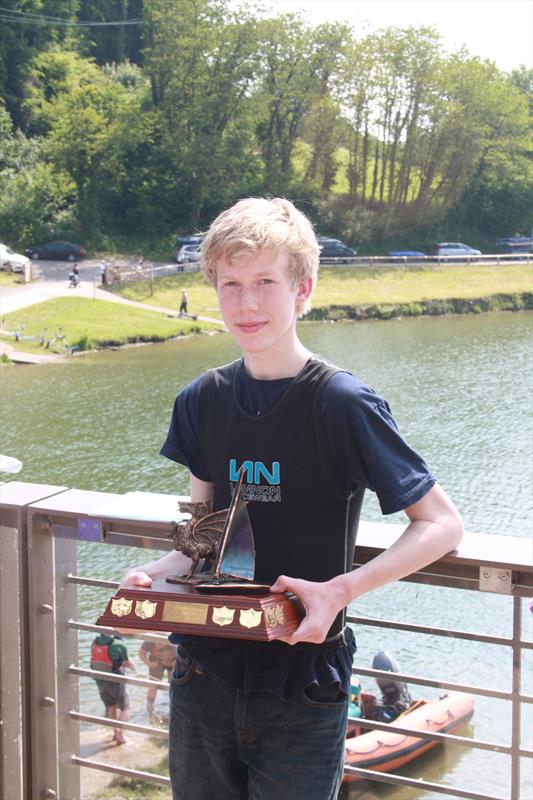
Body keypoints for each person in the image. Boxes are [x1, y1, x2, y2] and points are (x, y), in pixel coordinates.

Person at [119, 197, 464, 800]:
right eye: (231, 283)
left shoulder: (343, 404)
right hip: (205, 671)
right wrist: (152, 573)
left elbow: (440, 524)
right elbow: (204, 541)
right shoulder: (200, 401)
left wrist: (342, 589)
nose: (247, 303)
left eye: (265, 283)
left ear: (303, 289)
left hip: (305, 683)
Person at [90, 632, 135, 745]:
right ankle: (120, 733)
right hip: (116, 683)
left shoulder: (95, 643)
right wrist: (131, 665)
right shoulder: (118, 644)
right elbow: (130, 664)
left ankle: (115, 733)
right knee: (126, 708)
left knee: (111, 707)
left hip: (100, 682)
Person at [139, 640, 177, 719]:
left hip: (172, 661)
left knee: (173, 686)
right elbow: (141, 653)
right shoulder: (150, 641)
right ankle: (150, 709)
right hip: (155, 661)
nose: (158, 644)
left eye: (161, 643)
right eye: (157, 643)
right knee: (153, 685)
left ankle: (173, 710)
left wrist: (170, 664)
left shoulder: (174, 645)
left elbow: (181, 660)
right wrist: (148, 663)